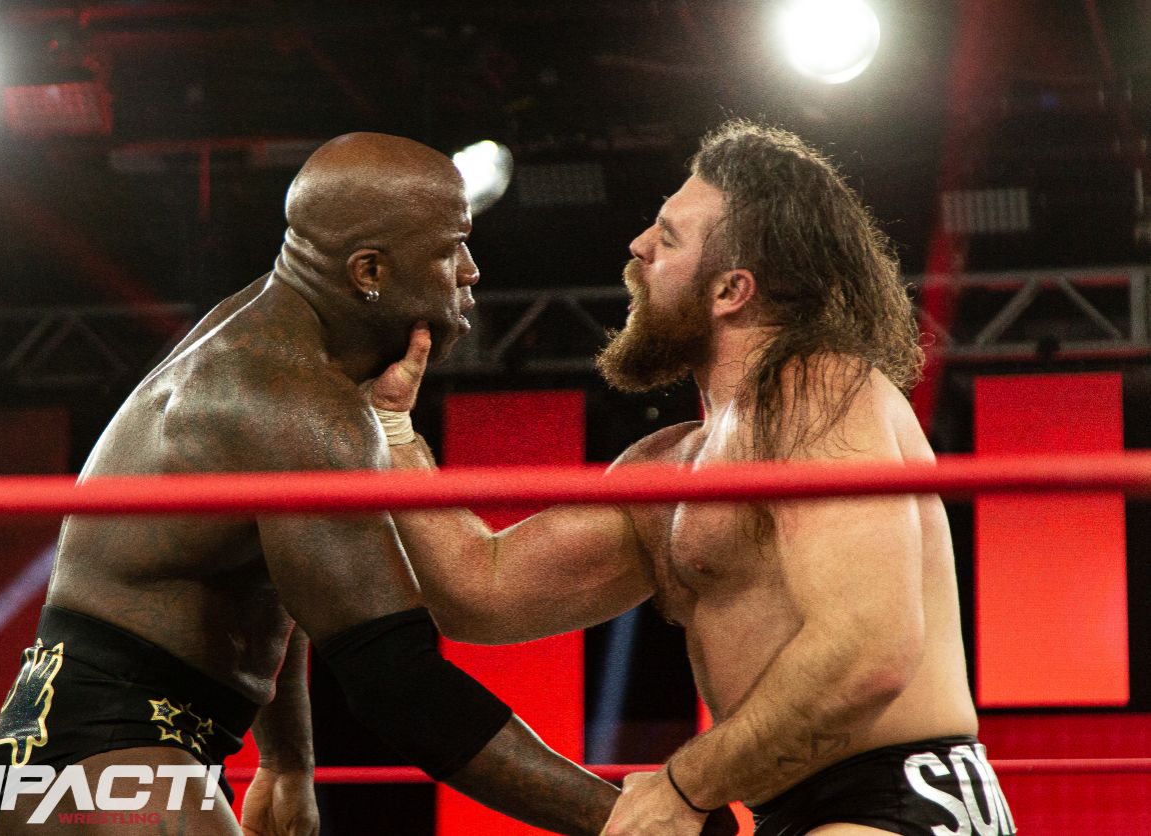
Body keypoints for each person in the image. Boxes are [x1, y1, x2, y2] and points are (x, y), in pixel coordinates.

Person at [373, 120, 1016, 835]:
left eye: (669, 238)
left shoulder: (819, 391)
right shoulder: (666, 467)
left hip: (905, 799)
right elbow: (481, 594)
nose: (637, 247)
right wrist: (392, 429)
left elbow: (869, 653)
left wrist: (683, 788)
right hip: (787, 812)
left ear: (731, 290)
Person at [0, 132, 623, 836]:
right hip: (106, 746)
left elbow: (277, 575)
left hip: (95, 734)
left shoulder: (268, 334)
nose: (471, 271)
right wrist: (627, 820)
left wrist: (287, 760)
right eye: (451, 249)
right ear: (369, 270)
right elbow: (400, 687)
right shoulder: (292, 401)